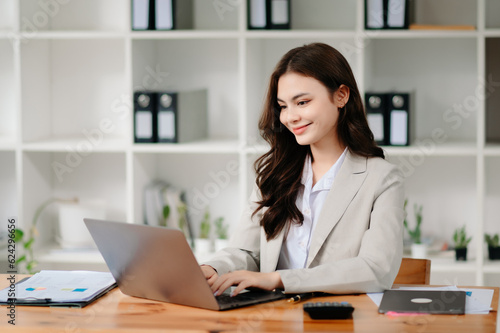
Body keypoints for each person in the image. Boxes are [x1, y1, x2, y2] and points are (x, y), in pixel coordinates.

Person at [201, 42, 405, 297]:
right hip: (272, 318)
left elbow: (376, 269)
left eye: (302, 102)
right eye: (283, 106)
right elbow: (246, 252)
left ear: (341, 95)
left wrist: (279, 279)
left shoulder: (382, 179)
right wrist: (213, 268)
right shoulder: (275, 173)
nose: (290, 117)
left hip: (339, 319)